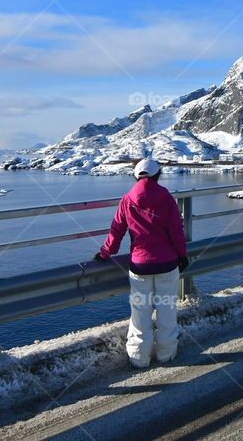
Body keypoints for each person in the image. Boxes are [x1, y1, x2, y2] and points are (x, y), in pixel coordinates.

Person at [94, 157, 189, 368]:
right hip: (167, 265)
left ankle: (139, 359)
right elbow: (176, 231)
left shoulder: (127, 199)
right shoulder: (166, 198)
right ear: (157, 176)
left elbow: (116, 232)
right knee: (167, 311)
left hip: (140, 266)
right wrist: (182, 256)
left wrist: (104, 253)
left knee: (140, 313)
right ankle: (166, 355)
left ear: (137, 176)